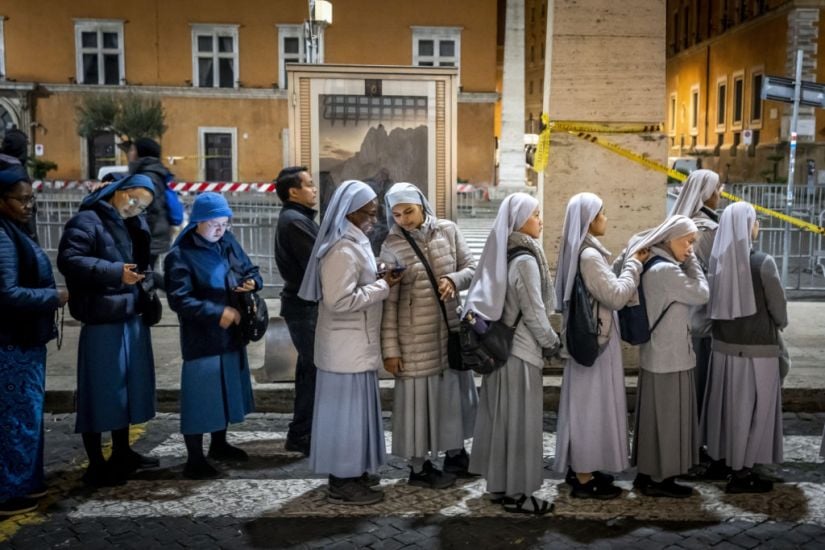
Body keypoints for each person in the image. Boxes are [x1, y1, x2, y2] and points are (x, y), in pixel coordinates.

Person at [298, 180, 402, 505]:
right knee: (344, 418)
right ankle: (342, 481)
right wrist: (382, 287)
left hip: (355, 347)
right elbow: (339, 301)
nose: (373, 220)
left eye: (374, 214)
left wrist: (379, 273)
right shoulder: (341, 249)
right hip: (345, 350)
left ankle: (354, 471)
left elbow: (359, 279)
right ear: (350, 213)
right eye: (368, 215)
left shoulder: (354, 241)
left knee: (354, 417)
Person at [57, 173, 160, 487]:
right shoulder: (88, 220)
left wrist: (148, 286)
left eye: (143, 205)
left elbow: (144, 264)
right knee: (100, 393)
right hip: (102, 318)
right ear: (119, 191)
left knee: (125, 391)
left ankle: (122, 452)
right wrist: (116, 273)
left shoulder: (132, 224)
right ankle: (96, 463)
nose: (136, 207)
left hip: (129, 314)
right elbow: (69, 260)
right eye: (134, 199)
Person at [464, 192, 559, 515]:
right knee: (520, 425)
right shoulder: (525, 260)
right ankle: (518, 494)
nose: (540, 220)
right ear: (519, 221)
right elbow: (534, 313)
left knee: (501, 421)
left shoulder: (502, 253)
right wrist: (552, 342)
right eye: (535, 215)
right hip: (520, 354)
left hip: (498, 353)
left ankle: (499, 484)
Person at [379, 182, 478, 488]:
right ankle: (419, 467)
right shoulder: (391, 246)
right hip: (415, 340)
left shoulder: (447, 231)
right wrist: (391, 350)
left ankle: (455, 454)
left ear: (422, 205)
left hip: (449, 332)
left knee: (451, 397)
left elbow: (472, 267)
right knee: (417, 404)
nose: (404, 219)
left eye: (408, 211)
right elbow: (389, 304)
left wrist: (453, 278)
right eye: (397, 214)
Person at [553, 192, 649, 499]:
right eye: (602, 213)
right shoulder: (589, 256)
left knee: (586, 405)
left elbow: (605, 284)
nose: (606, 218)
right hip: (597, 344)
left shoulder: (584, 251)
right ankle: (583, 477)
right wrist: (634, 266)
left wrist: (626, 259)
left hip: (592, 342)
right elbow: (617, 296)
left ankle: (583, 467)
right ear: (590, 220)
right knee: (590, 408)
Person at [164, 192, 262, 480]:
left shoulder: (227, 243)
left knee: (224, 392)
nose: (220, 229)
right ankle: (194, 458)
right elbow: (179, 299)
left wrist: (252, 282)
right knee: (201, 396)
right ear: (197, 223)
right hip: (203, 337)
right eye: (214, 224)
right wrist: (214, 311)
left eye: (224, 223)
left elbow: (251, 269)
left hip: (231, 333)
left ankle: (219, 444)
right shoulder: (180, 256)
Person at [701, 202, 786, 493]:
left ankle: (724, 459)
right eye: (754, 220)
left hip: (723, 347)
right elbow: (778, 307)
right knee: (755, 411)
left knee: (728, 409)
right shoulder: (763, 262)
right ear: (745, 226)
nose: (757, 225)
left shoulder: (717, 260)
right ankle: (744, 470)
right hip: (757, 348)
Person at [625, 215, 709, 498]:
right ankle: (661, 479)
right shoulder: (667, 271)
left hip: (658, 355)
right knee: (668, 421)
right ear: (670, 238)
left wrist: (685, 257)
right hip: (670, 358)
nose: (690, 248)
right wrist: (692, 262)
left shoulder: (655, 264)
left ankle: (650, 474)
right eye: (687, 241)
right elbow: (702, 293)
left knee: (654, 421)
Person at [0, 164, 68, 516]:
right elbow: (6, 293)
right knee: (15, 417)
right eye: (21, 199)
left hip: (24, 339)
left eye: (31, 199)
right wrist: (51, 297)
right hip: (12, 341)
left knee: (27, 412)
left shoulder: (14, 230)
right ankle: (8, 491)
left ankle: (25, 481)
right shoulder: (2, 237)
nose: (28, 205)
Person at [669, 169, 723, 422]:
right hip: (702, 316)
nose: (720, 194)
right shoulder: (708, 229)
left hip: (681, 315)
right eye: (717, 189)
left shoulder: (680, 224)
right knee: (700, 379)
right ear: (706, 194)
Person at [274, 166, 320, 457]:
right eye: (310, 185)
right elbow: (318, 261)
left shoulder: (298, 218)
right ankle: (302, 433)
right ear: (293, 191)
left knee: (309, 371)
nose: (314, 189)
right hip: (303, 307)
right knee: (313, 371)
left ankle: (303, 431)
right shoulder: (294, 222)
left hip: (302, 305)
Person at [128, 137, 173, 282]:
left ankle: (176, 290)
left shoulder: (148, 176)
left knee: (141, 275)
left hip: (150, 235)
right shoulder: (149, 172)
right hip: (152, 233)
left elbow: (152, 209)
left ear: (141, 153)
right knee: (142, 275)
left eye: (132, 149)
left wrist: (141, 235)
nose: (130, 153)